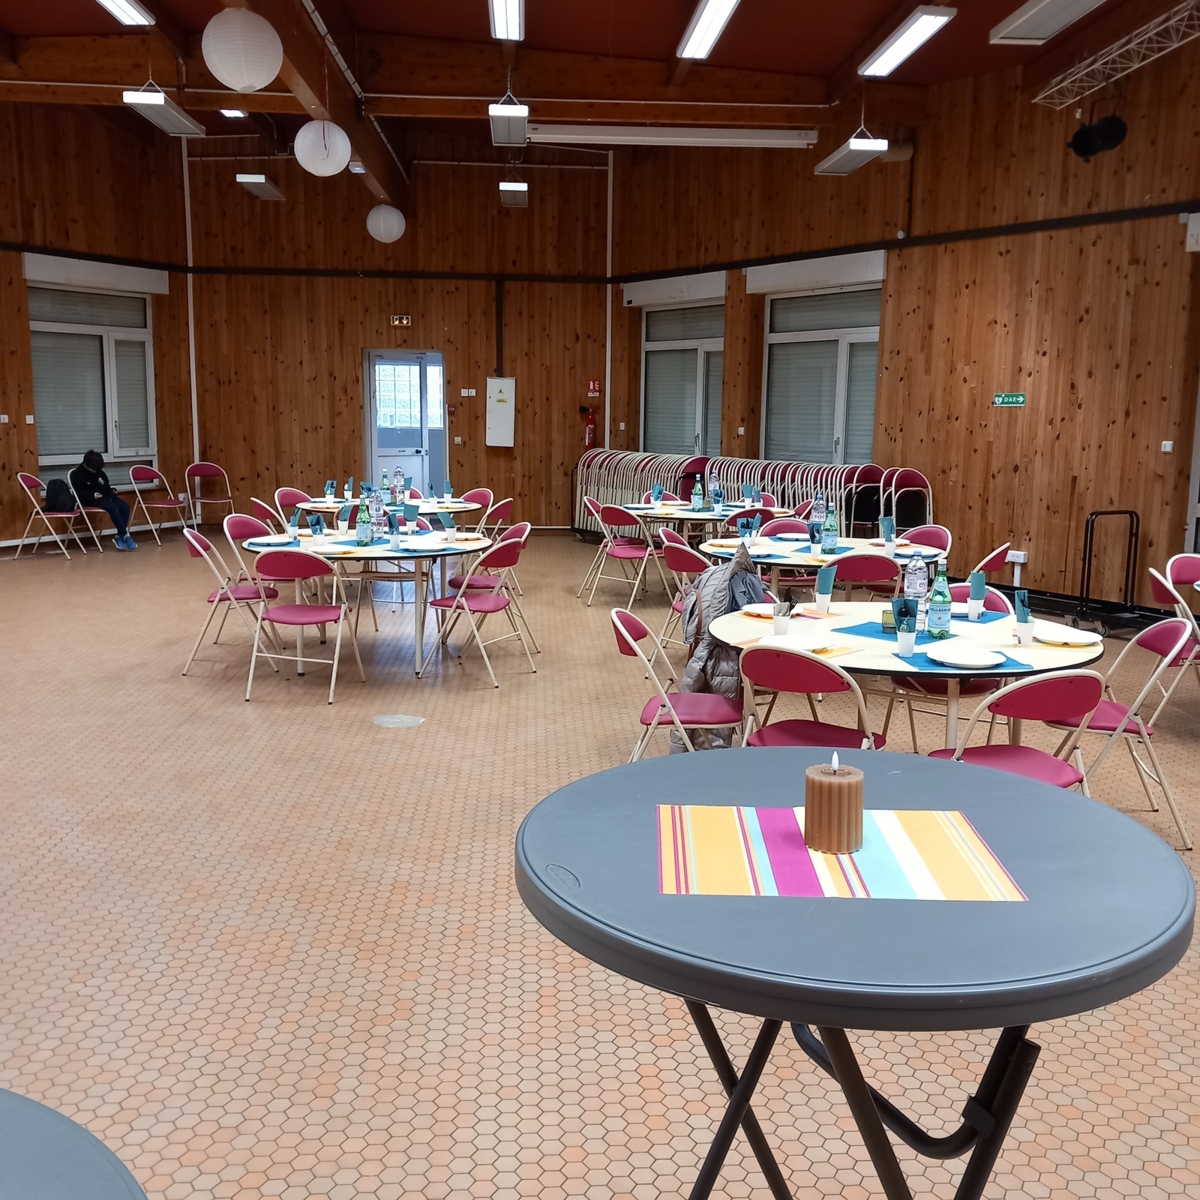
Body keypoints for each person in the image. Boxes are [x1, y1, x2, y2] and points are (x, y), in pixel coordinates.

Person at [70, 450, 136, 550]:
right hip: (91, 500)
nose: (96, 471)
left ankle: (119, 536)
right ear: (87, 465)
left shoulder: (99, 472)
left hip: (106, 496)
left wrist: (112, 491)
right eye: (94, 469)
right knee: (113, 508)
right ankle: (125, 535)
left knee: (125, 506)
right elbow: (77, 493)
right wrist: (92, 495)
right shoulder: (76, 474)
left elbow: (106, 486)